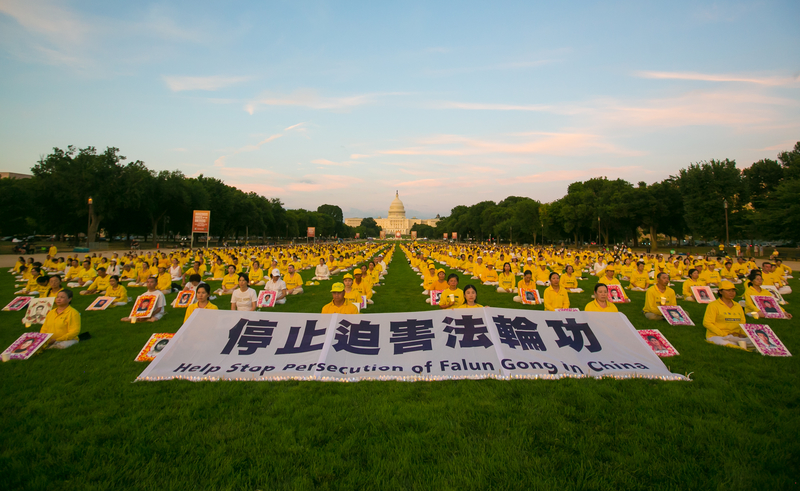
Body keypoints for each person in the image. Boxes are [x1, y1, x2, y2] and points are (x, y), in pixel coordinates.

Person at [703, 280, 753, 350]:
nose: (731, 293)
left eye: (733, 291)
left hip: (736, 335)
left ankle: (744, 346)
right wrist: (723, 334)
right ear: (720, 292)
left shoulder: (737, 306)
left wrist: (742, 334)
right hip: (718, 335)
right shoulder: (713, 305)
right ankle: (744, 349)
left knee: (757, 341)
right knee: (727, 343)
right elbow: (707, 323)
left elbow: (742, 321)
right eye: (728, 290)